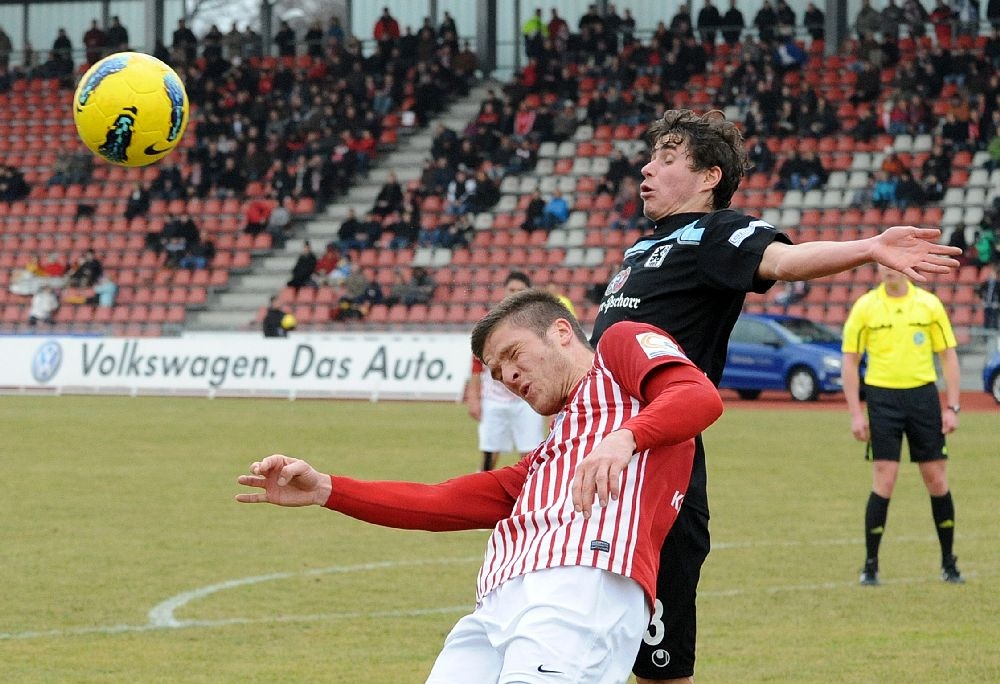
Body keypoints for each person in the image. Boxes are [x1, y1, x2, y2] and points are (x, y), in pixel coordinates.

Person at [588, 109, 962, 683]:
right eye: (651, 157)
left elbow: (785, 262)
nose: (646, 168)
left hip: (657, 462)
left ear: (709, 177)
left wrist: (869, 247)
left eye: (666, 158)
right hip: (595, 456)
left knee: (659, 664)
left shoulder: (717, 233)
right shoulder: (640, 249)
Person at [236, 289, 724, 683]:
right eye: (496, 372)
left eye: (513, 355)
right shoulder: (547, 454)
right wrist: (326, 489)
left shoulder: (619, 353)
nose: (508, 377)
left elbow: (697, 395)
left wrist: (626, 438)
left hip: (580, 584)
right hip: (495, 607)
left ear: (561, 333)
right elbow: (440, 501)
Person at [841, 265, 964, 586]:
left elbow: (948, 356)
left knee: (936, 479)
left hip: (923, 398)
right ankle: (870, 566)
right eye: (883, 264)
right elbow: (850, 361)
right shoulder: (866, 306)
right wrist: (856, 413)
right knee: (884, 478)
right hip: (882, 399)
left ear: (907, 268)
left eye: (894, 264)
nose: (888, 270)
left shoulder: (929, 305)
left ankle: (949, 563)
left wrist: (952, 406)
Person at [464, 272, 545, 472]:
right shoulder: (490, 324)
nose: (515, 294)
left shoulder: (538, 325)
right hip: (494, 399)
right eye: (511, 290)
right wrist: (473, 397)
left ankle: (531, 489)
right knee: (489, 455)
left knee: (530, 454)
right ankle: (481, 488)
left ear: (528, 293)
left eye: (520, 290)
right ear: (504, 291)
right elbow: (476, 364)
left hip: (527, 399)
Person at [978, 262, 1000, 329]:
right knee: (986, 317)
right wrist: (982, 299)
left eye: (993, 274)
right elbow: (980, 291)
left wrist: (998, 302)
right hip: (987, 302)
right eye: (991, 274)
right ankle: (986, 329)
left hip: (994, 303)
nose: (992, 276)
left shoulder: (998, 284)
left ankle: (994, 329)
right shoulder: (985, 283)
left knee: (995, 317)